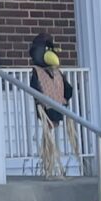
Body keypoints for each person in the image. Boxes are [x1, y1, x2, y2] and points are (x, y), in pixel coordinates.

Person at [28, 34, 71, 178]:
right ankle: (51, 167)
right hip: (45, 109)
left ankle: (58, 168)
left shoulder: (58, 73)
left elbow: (68, 90)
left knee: (56, 139)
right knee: (49, 141)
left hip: (58, 108)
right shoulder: (37, 72)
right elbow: (34, 88)